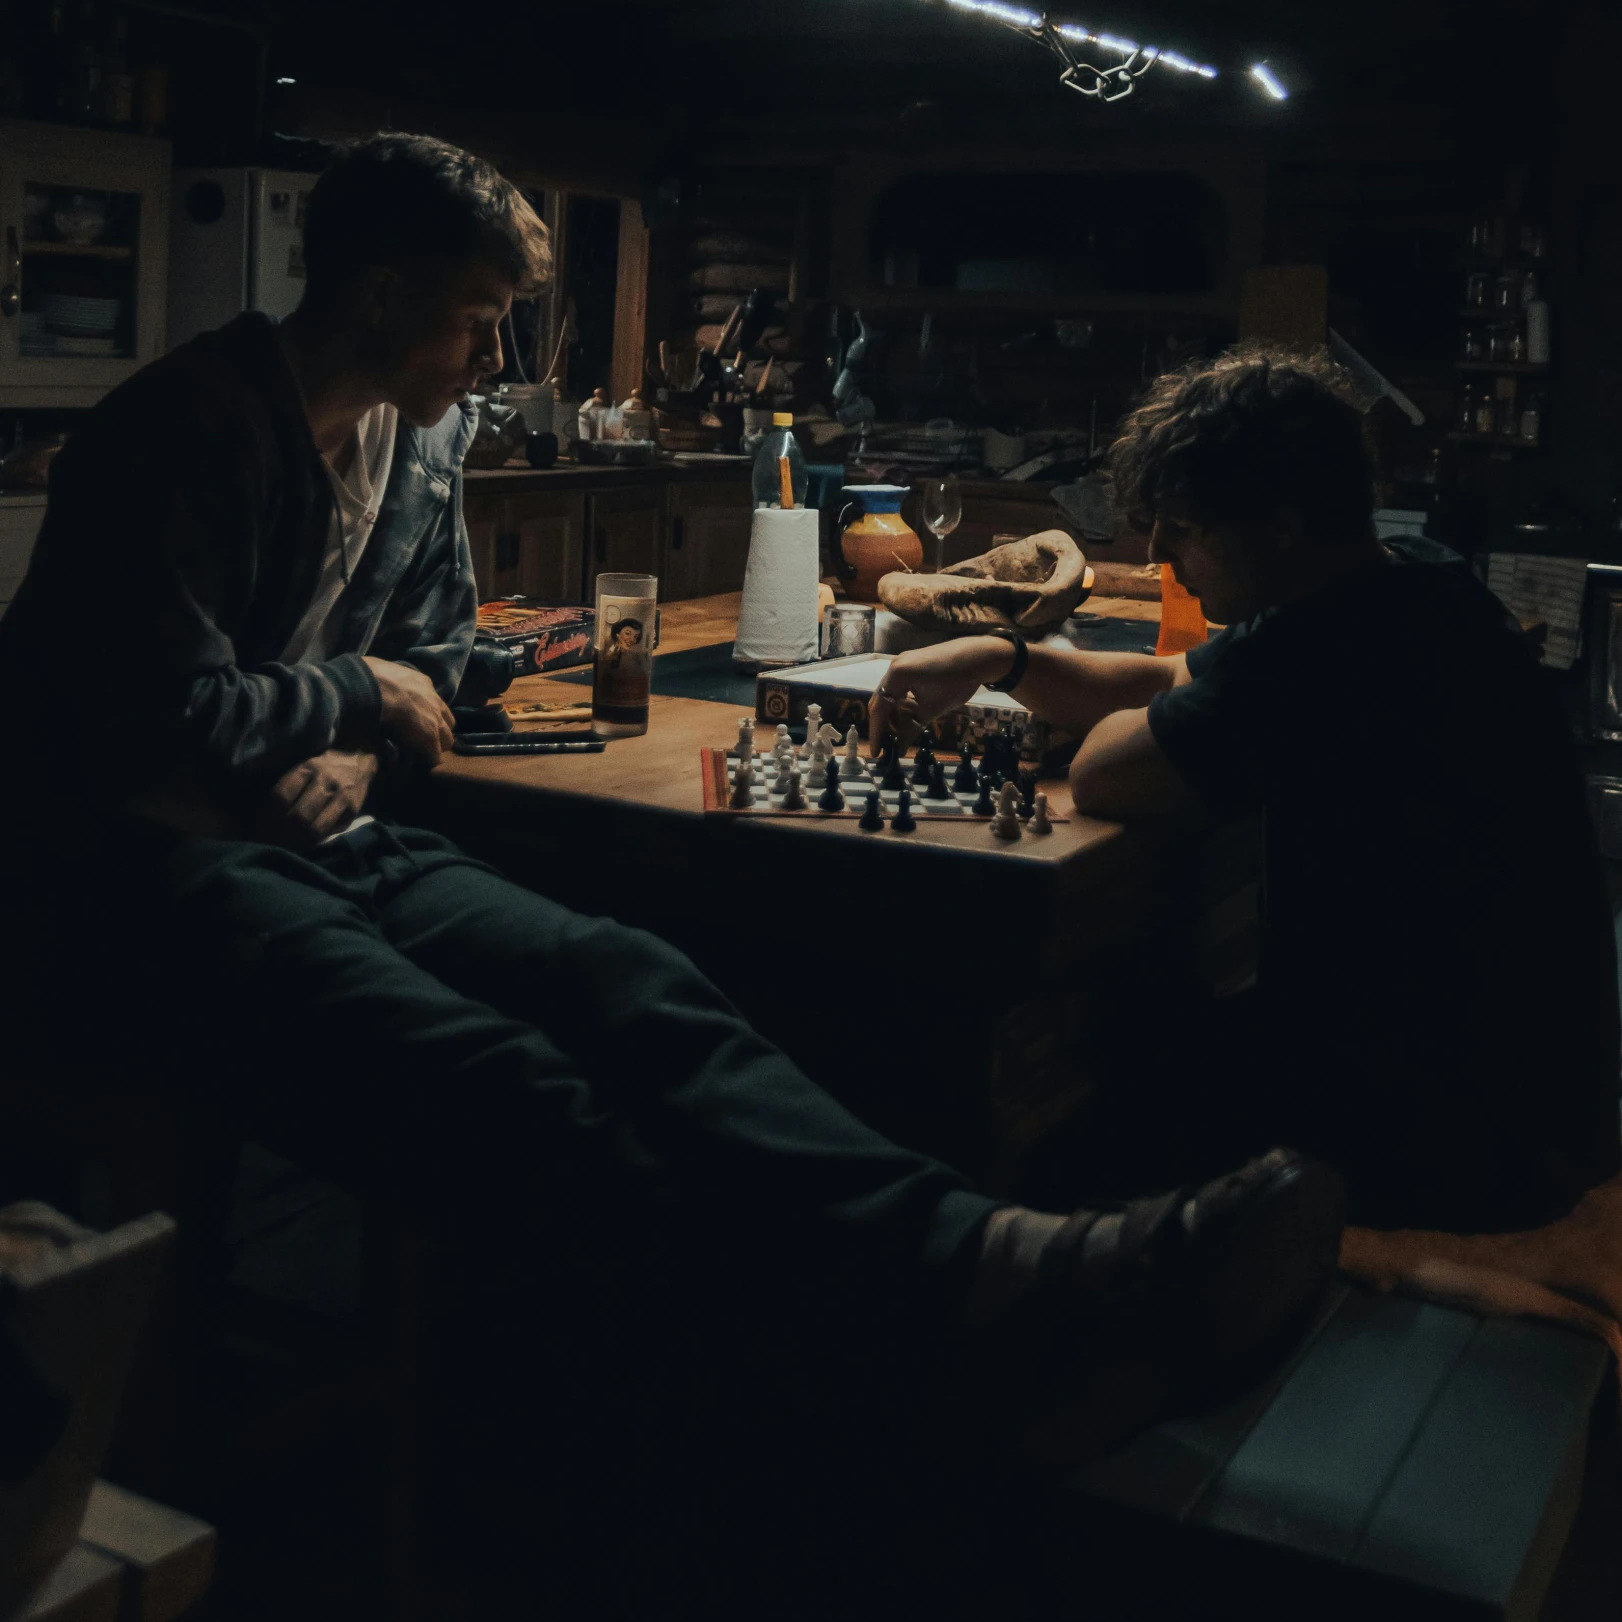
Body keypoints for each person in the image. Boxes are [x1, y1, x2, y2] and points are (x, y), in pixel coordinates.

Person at [0, 137, 1341, 1493]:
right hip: (135, 868)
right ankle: (896, 1355)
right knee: (500, 1076)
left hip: (327, 838)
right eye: (476, 317)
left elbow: (441, 664)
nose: (493, 352)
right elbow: (139, 720)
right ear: (381, 296)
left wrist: (400, 711)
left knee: (626, 974)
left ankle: (986, 1258)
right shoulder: (185, 428)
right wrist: (355, 693)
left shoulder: (418, 445)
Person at [873, 349, 1622, 1236]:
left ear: (1282, 524)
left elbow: (1102, 773)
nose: (1156, 552)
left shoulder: (1321, 654)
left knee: (1048, 1122)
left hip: (1458, 1137)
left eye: (1182, 526)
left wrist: (1079, 697)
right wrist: (1007, 655)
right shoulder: (1411, 576)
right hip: (1541, 1094)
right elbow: (1169, 673)